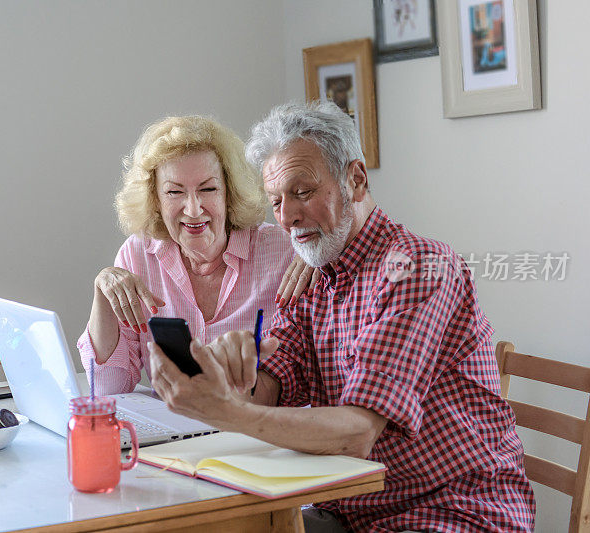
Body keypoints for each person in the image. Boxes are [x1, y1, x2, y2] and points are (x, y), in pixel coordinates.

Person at [147, 102, 536, 532]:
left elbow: (356, 433)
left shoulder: (418, 267)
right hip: (352, 511)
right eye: (276, 201)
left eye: (303, 192)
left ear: (355, 180)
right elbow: (271, 387)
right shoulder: (313, 274)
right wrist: (232, 379)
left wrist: (225, 412)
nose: (288, 217)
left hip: (454, 512)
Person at [77, 115, 315, 394]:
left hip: (256, 430)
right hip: (177, 434)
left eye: (208, 189)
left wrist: (315, 255)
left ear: (229, 191)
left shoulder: (284, 251)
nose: (193, 209)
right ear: (155, 199)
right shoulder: (137, 255)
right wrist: (102, 292)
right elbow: (107, 387)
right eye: (174, 192)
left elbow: (308, 377)